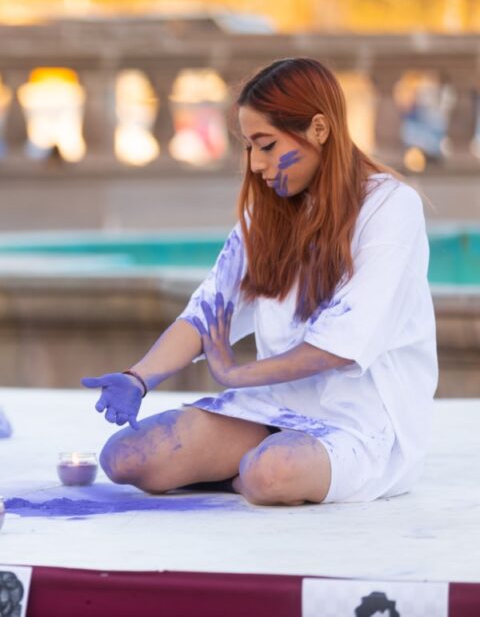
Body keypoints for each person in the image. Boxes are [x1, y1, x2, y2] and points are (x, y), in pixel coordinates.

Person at [84, 57, 437, 506]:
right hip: (271, 407)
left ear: (319, 130)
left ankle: (260, 468)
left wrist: (237, 373)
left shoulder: (391, 207)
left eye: (266, 145)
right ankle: (254, 464)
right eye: (248, 147)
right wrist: (139, 377)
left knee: (269, 475)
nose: (253, 164)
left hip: (361, 423)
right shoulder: (267, 212)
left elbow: (340, 344)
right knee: (126, 458)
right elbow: (207, 313)